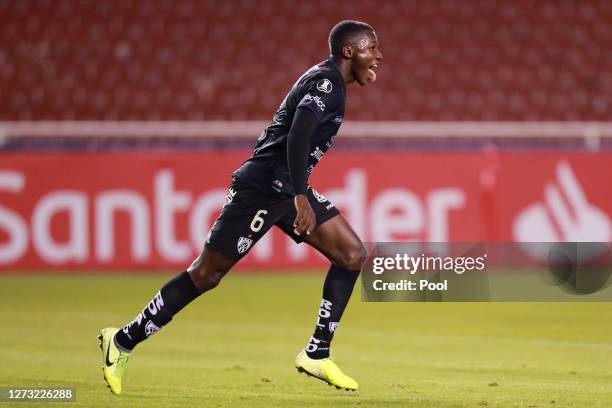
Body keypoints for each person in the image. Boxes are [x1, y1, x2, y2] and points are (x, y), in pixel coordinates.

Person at [99, 19, 383, 394]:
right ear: (349, 51)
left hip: (286, 188)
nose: (378, 55)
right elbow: (299, 133)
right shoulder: (326, 84)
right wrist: (301, 194)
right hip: (263, 188)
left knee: (350, 254)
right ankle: (121, 342)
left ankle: (317, 353)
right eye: (371, 47)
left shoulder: (329, 81)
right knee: (206, 275)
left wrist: (297, 190)